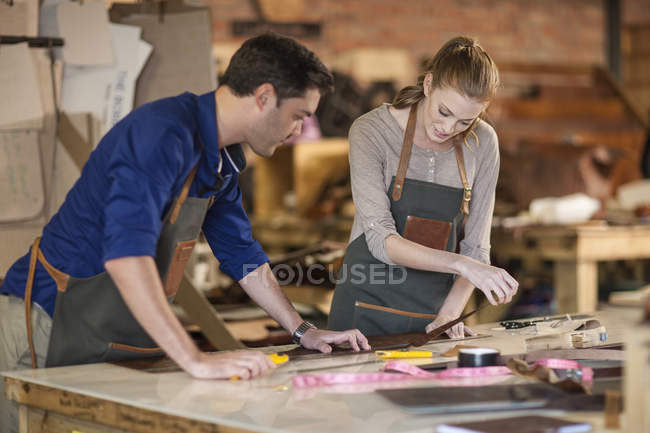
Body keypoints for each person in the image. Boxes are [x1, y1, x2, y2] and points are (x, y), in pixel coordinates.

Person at [0, 32, 370, 433]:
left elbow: (243, 257)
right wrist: (193, 358)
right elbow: (126, 257)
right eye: (299, 115)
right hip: (41, 324)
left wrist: (303, 331)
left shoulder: (221, 161)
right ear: (264, 96)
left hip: (103, 333)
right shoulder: (161, 134)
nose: (299, 129)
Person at [328, 36, 519, 338]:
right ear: (429, 84)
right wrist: (463, 265)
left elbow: (477, 249)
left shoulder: (483, 142)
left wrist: (450, 314)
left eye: (465, 121)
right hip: (363, 312)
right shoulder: (372, 131)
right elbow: (380, 240)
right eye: (444, 112)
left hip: (436, 315)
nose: (448, 128)